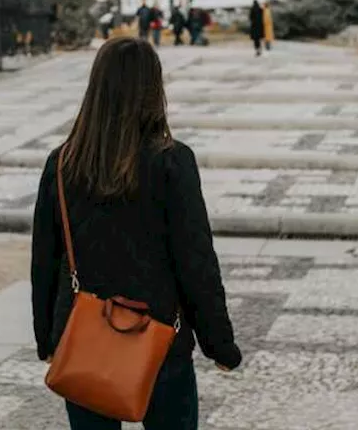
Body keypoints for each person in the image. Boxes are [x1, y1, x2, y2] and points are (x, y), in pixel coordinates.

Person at [31, 37, 242, 430]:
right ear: (152, 90)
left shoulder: (62, 164)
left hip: (83, 340)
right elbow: (196, 262)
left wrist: (47, 338)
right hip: (160, 337)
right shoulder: (173, 162)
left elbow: (45, 260)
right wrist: (220, 345)